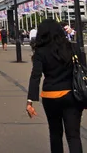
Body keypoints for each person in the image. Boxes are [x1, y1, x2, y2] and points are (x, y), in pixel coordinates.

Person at [27, 19, 83, 153]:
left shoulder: (40, 52)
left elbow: (36, 76)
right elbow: (82, 68)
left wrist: (30, 100)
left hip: (50, 96)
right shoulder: (71, 47)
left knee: (55, 133)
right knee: (73, 135)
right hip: (72, 94)